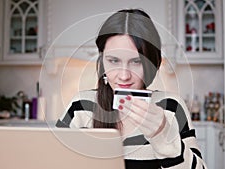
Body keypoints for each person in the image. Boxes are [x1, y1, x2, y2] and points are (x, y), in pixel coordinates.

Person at [56, 9, 207, 169]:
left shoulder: (171, 108)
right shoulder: (80, 107)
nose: (124, 76)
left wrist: (163, 134)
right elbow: (51, 161)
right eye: (113, 60)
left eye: (136, 62)